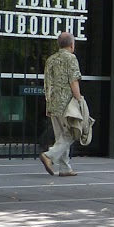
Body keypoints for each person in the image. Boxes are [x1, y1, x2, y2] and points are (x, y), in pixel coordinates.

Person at [40, 31, 83, 177]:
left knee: (61, 136)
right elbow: (73, 81)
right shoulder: (71, 58)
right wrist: (79, 99)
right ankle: (49, 155)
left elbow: (47, 83)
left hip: (53, 102)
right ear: (72, 44)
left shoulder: (50, 59)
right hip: (67, 103)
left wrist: (48, 102)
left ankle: (65, 168)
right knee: (72, 132)